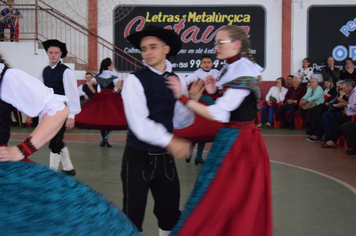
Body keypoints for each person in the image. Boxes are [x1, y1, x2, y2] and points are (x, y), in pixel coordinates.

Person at [166, 25, 272, 236]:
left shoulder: (241, 69)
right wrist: (214, 90)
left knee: (222, 197)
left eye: (220, 43)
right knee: (223, 195)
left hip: (239, 143)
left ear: (236, 44)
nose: (215, 47)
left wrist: (183, 97)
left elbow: (220, 114)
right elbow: (234, 103)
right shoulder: (235, 66)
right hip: (235, 138)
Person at [121, 25, 194, 236]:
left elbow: (179, 122)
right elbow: (138, 123)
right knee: (132, 216)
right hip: (138, 157)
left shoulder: (178, 80)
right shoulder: (135, 80)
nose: (147, 53)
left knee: (170, 214)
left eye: (153, 47)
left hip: (165, 159)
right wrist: (170, 141)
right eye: (144, 49)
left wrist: (188, 102)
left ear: (166, 49)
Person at [0, 55, 69, 161]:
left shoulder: (7, 77)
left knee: (56, 145)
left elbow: (58, 109)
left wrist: (23, 150)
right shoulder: (46, 71)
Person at [38, 39, 81, 176]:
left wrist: (71, 114)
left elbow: (72, 93)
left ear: (61, 54)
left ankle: (52, 173)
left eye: (56, 52)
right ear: (47, 53)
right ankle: (68, 168)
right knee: (56, 140)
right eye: (50, 52)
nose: (53, 55)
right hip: (49, 112)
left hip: (62, 111)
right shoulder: (44, 71)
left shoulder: (66, 72)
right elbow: (40, 91)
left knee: (55, 142)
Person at [184, 54, 219, 165]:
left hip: (211, 105)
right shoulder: (196, 74)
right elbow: (185, 81)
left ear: (212, 64)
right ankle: (189, 153)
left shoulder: (216, 73)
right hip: (200, 104)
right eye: (204, 62)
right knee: (197, 131)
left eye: (209, 62)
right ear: (201, 64)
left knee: (205, 132)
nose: (206, 64)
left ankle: (198, 156)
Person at [321, 79, 356, 148]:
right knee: (333, 118)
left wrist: (344, 104)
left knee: (337, 121)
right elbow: (351, 104)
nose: (343, 90)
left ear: (350, 86)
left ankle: (332, 141)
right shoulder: (351, 93)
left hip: (353, 116)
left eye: (344, 88)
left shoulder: (355, 93)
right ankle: (329, 138)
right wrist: (344, 103)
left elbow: (354, 107)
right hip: (348, 113)